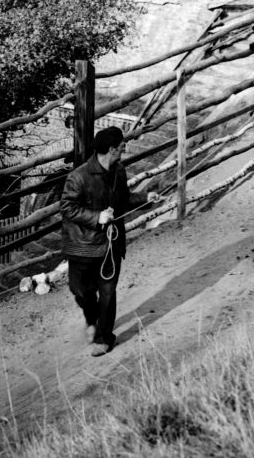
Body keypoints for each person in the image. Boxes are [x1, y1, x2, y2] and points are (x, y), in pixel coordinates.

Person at [60, 126, 157, 356]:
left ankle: (104, 337)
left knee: (107, 292)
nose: (125, 148)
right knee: (80, 291)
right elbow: (67, 207)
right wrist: (96, 217)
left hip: (111, 244)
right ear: (112, 149)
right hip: (82, 246)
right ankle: (92, 318)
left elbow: (123, 200)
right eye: (122, 146)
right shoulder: (79, 177)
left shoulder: (119, 172)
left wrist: (146, 198)